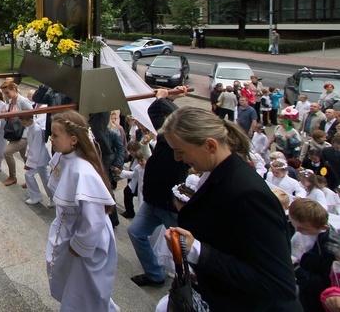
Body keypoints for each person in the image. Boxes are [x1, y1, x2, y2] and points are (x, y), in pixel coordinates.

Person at [162, 107, 301, 311]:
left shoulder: (248, 193)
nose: (176, 158)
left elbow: (279, 283)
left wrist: (198, 251)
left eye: (180, 151)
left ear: (210, 145)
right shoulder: (219, 174)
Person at [46, 111, 118, 312]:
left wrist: (79, 245)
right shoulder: (63, 157)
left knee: (84, 287)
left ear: (74, 140)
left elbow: (94, 219)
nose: (51, 138)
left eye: (55, 135)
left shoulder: (83, 170)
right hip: (70, 228)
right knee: (74, 282)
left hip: (87, 238)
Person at [128, 86, 189, 288]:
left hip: (169, 204)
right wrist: (169, 98)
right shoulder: (169, 138)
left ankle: (186, 281)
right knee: (136, 232)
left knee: (181, 247)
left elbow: (157, 113)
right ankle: (154, 274)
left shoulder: (174, 141)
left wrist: (162, 98)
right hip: (154, 200)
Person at [290, 198, 340, 312]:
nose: (297, 230)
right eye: (294, 225)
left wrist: (296, 269)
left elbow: (324, 284)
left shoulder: (331, 250)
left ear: (324, 227)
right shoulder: (301, 228)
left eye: (303, 229)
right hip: (303, 292)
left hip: (316, 301)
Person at [1, 81, 33, 187]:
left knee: (7, 152)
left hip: (23, 134)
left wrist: (15, 116)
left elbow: (31, 116)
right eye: (4, 93)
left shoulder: (23, 101)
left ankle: (12, 176)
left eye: (7, 92)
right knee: (25, 157)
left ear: (14, 90)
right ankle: (31, 180)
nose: (6, 95)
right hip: (16, 133)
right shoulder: (11, 102)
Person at [22, 113, 53, 206]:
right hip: (38, 158)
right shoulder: (31, 128)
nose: (22, 124)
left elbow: (36, 147)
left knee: (29, 175)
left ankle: (36, 196)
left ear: (30, 120)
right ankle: (53, 197)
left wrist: (30, 163)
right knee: (45, 178)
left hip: (39, 158)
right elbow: (30, 145)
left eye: (23, 123)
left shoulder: (36, 130)